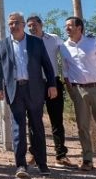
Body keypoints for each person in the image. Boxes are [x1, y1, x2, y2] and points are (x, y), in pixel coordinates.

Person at [0, 12, 57, 179]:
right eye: (10, 24)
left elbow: (47, 65)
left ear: (22, 24)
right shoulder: (1, 45)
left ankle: (42, 163)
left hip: (35, 89)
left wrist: (52, 84)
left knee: (37, 127)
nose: (13, 26)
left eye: (16, 23)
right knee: (17, 128)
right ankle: (21, 165)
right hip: (15, 91)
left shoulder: (36, 42)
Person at [60, 16, 96, 172]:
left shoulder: (92, 43)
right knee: (82, 126)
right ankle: (87, 159)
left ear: (79, 28)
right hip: (78, 90)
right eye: (66, 26)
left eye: (70, 25)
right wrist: (71, 90)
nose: (67, 28)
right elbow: (65, 71)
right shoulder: (64, 47)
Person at [26, 15, 73, 167]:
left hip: (53, 82)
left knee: (56, 120)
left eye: (34, 25)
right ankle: (35, 154)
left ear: (41, 24)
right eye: (29, 26)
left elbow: (68, 49)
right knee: (34, 120)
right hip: (34, 85)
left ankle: (61, 155)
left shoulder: (53, 39)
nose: (32, 28)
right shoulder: (25, 41)